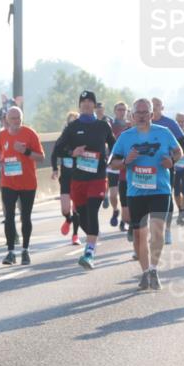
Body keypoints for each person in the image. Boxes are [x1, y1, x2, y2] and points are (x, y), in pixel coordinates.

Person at [109, 98, 182, 290]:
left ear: (151, 114)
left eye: (145, 112)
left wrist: (171, 161)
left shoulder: (164, 133)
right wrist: (126, 160)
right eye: (138, 113)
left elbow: (178, 151)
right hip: (136, 192)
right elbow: (112, 164)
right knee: (140, 236)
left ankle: (153, 269)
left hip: (160, 189)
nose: (141, 116)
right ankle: (144, 272)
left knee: (157, 233)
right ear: (132, 116)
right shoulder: (125, 137)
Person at [52, 91, 116, 270]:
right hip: (77, 179)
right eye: (83, 102)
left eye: (90, 101)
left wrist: (112, 160)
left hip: (97, 178)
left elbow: (115, 146)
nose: (87, 104)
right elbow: (57, 149)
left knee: (92, 211)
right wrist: (72, 153)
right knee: (82, 215)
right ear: (79, 105)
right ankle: (93, 237)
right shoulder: (72, 127)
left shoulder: (103, 126)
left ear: (94, 105)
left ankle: (89, 253)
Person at [0, 106, 45, 265]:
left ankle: (25, 250)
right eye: (12, 118)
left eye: (18, 118)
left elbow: (41, 157)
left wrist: (26, 151)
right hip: (8, 182)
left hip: (28, 182)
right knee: (9, 217)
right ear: (6, 121)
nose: (16, 121)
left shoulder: (30, 134)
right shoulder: (2, 135)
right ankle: (10, 252)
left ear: (21, 119)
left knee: (25, 217)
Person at [151, 98, 184, 245]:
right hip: (146, 169)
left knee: (166, 197)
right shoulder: (143, 123)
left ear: (162, 107)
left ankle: (167, 230)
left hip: (165, 168)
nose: (154, 108)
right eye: (152, 106)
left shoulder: (170, 124)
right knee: (148, 199)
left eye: (157, 105)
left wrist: (171, 160)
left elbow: (182, 144)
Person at [52, 111, 82, 244]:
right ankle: (68, 219)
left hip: (78, 177)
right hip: (65, 177)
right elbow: (54, 153)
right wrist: (54, 169)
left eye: (74, 122)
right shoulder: (63, 138)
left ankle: (75, 235)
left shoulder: (82, 138)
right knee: (65, 209)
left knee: (76, 208)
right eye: (70, 122)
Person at [107, 101, 131, 233]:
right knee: (113, 195)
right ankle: (115, 210)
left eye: (124, 109)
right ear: (115, 111)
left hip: (125, 165)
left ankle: (124, 220)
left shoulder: (131, 125)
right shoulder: (110, 125)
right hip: (113, 163)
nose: (122, 112)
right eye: (119, 109)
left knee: (124, 194)